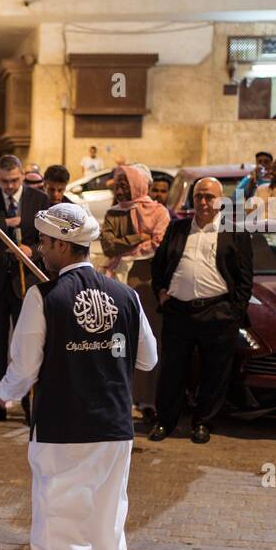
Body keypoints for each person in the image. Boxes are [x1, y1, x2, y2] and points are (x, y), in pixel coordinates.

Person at [0, 201, 157, 550]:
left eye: (45, 242)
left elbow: (23, 371)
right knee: (108, 528)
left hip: (61, 431)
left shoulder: (42, 297)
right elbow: (149, 359)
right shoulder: (127, 296)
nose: (41, 250)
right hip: (114, 431)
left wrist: (0, 392)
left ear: (64, 244)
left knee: (59, 526)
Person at [149, 177, 253, 444]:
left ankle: (203, 423)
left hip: (218, 313)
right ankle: (165, 422)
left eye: (209, 197)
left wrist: (235, 312)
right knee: (172, 370)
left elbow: (244, 278)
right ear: (192, 200)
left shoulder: (235, 232)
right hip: (178, 312)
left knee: (214, 373)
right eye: (199, 197)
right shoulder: (178, 229)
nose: (204, 202)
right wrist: (161, 293)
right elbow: (159, 266)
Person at [0, 154, 47, 424]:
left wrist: (32, 251)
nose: (10, 186)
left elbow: (47, 240)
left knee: (28, 344)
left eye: (14, 180)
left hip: (26, 284)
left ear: (23, 175)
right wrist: (5, 225)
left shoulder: (39, 200)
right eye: (4, 182)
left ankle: (30, 403)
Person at [98, 165, 172, 424]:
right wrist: (138, 236)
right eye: (117, 185)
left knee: (149, 340)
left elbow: (159, 242)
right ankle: (121, 399)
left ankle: (147, 400)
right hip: (116, 280)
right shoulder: (113, 213)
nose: (119, 190)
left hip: (147, 281)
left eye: (125, 185)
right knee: (117, 342)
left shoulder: (159, 211)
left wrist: (129, 241)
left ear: (139, 185)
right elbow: (108, 246)